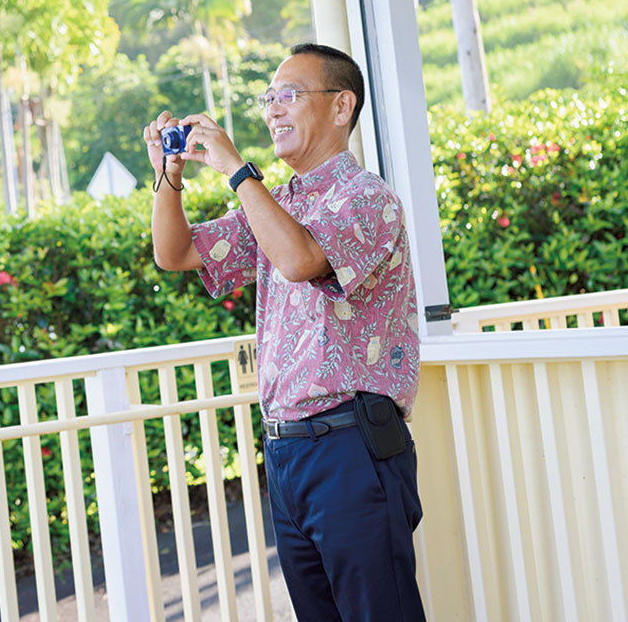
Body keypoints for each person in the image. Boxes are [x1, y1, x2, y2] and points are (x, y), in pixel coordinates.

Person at [144, 43, 424, 621]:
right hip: (287, 451)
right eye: (268, 98)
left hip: (351, 445)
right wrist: (167, 180)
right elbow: (176, 253)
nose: (272, 110)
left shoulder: (368, 198)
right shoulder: (275, 203)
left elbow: (300, 259)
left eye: (288, 95)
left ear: (342, 105)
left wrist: (236, 171)